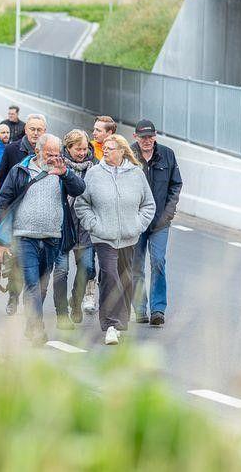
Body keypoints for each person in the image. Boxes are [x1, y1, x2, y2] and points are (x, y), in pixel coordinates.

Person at [0, 134, 85, 344]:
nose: (54, 157)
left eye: (57, 154)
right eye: (49, 154)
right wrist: (1, 240)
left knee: (42, 286)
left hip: (52, 238)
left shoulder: (62, 171)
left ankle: (31, 324)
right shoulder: (20, 170)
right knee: (32, 283)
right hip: (24, 237)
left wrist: (65, 174)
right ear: (38, 151)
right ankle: (37, 328)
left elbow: (80, 189)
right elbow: (3, 202)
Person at [75, 134, 155, 346]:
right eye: (105, 148)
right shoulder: (94, 174)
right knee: (109, 275)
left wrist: (137, 226)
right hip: (103, 236)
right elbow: (81, 204)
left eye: (111, 148)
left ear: (122, 151)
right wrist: (94, 225)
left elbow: (149, 205)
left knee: (126, 277)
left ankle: (120, 320)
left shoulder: (136, 174)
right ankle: (111, 324)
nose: (106, 151)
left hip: (129, 236)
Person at [0, 113, 47, 316]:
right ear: (26, 130)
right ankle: (13, 297)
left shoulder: (50, 151)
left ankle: (31, 301)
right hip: (16, 215)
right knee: (16, 260)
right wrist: (0, 216)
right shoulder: (12, 149)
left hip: (40, 217)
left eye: (39, 129)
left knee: (38, 264)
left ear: (45, 131)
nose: (35, 133)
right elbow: (0, 183)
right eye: (32, 129)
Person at [131, 120, 183, 328]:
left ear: (155, 136)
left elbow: (175, 184)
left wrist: (168, 214)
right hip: (135, 222)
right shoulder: (129, 156)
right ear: (136, 137)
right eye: (143, 137)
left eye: (150, 137)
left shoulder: (167, 155)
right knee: (136, 266)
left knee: (158, 262)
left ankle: (158, 309)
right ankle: (140, 309)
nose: (147, 141)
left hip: (160, 222)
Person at [56, 129, 99, 326]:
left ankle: (76, 299)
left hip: (85, 227)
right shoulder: (59, 165)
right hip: (64, 226)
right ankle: (62, 311)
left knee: (88, 268)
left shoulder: (96, 166)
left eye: (84, 149)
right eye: (77, 149)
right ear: (68, 148)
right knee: (62, 271)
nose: (82, 153)